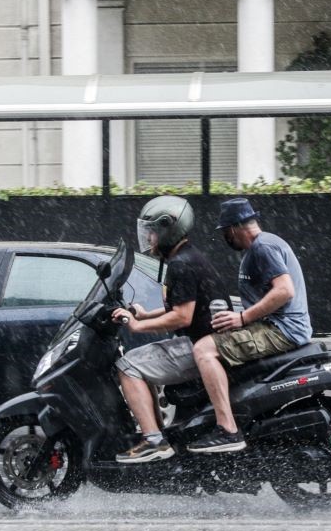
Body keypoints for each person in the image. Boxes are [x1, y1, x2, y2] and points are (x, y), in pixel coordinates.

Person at [186, 198, 312, 454]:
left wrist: (242, 319)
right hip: (277, 325)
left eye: (224, 232)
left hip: (282, 329)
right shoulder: (263, 245)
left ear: (233, 229)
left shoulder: (262, 248)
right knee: (216, 341)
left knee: (203, 350)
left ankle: (227, 429)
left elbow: (284, 291)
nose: (224, 237)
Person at [109, 195, 230, 464]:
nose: (148, 239)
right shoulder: (186, 257)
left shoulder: (181, 264)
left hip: (199, 345)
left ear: (167, 230)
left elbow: (182, 317)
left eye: (151, 232)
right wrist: (145, 313)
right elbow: (185, 307)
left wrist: (138, 326)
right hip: (204, 340)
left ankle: (153, 440)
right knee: (139, 363)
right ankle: (157, 432)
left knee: (127, 366)